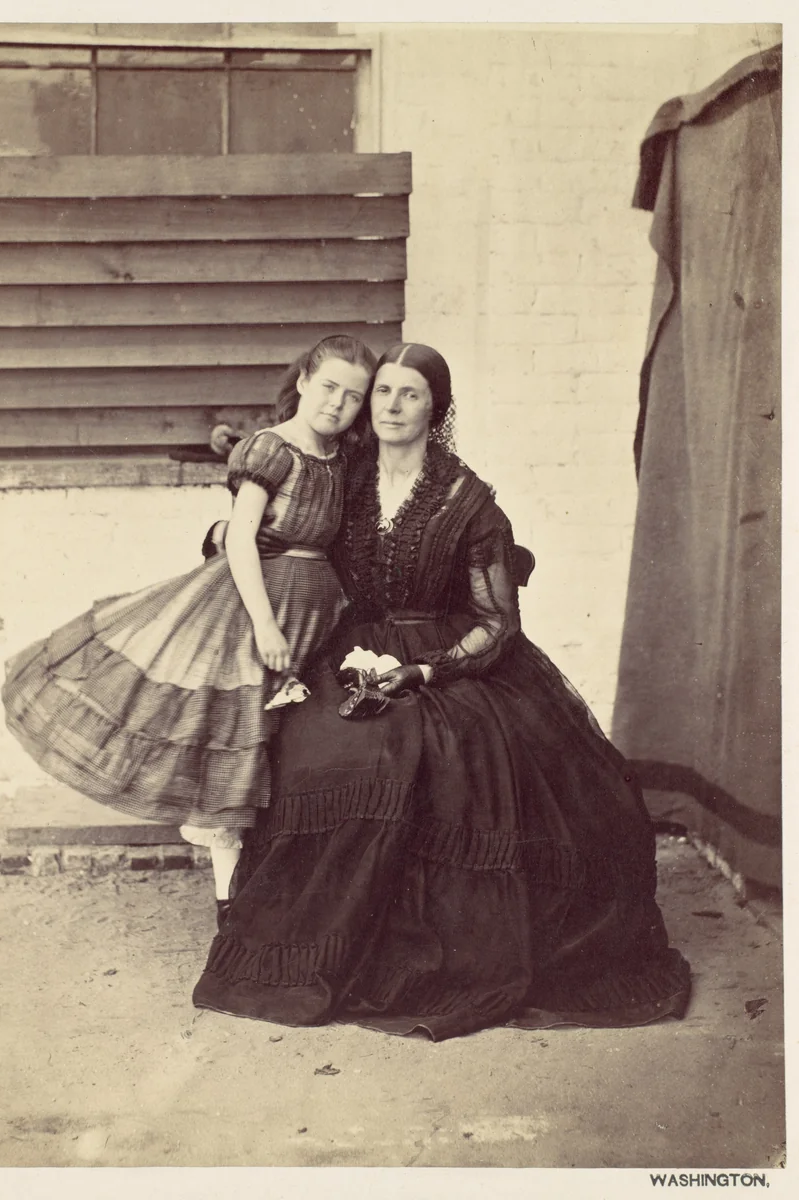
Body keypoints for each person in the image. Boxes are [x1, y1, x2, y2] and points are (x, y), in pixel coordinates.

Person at [192, 342, 692, 1040]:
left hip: (446, 657)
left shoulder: (467, 500)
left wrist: (425, 671)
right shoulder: (345, 476)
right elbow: (281, 525)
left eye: (410, 395)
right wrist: (226, 531)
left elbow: (496, 623)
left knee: (428, 750)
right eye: (382, 393)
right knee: (320, 746)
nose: (391, 407)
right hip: (344, 645)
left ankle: (433, 955)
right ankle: (316, 944)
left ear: (436, 408)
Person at [2, 334, 376, 925]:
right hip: (254, 609)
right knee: (236, 743)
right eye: (328, 386)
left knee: (288, 750)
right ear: (303, 382)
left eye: (353, 397)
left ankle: (277, 888)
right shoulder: (271, 450)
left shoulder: (340, 462)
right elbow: (241, 538)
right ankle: (231, 906)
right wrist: (264, 625)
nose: (337, 404)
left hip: (316, 614)